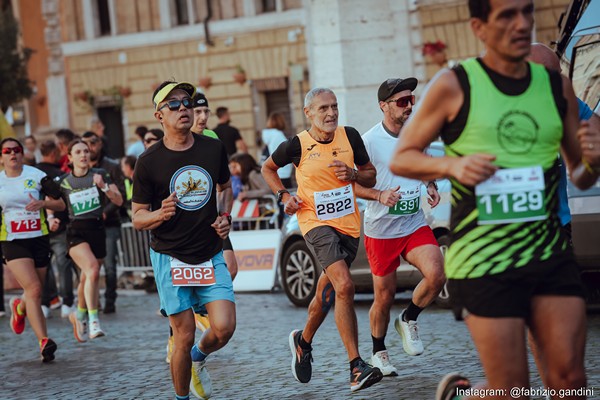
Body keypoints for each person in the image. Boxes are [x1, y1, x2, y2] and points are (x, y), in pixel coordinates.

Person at [388, 1, 598, 398]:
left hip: (548, 251)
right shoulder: (455, 84)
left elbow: (580, 175)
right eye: (506, 16)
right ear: (479, 27)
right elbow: (403, 157)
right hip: (485, 256)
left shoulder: (557, 87)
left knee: (570, 382)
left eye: (526, 12)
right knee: (511, 388)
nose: (521, 24)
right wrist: (454, 167)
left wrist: (595, 160)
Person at [262, 87, 382, 393]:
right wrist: (284, 195)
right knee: (345, 285)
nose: (330, 113)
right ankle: (356, 367)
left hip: (349, 225)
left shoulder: (350, 137)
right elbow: (268, 168)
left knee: (327, 292)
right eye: (323, 108)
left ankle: (303, 342)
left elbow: (370, 176)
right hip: (315, 222)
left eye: (334, 106)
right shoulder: (297, 146)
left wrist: (353, 174)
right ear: (309, 113)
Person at [132, 80, 235, 400]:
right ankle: (182, 397)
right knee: (184, 334)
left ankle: (198, 360)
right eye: (173, 105)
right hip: (170, 256)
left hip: (209, 251)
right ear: (159, 115)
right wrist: (159, 214)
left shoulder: (212, 147)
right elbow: (137, 218)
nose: (183, 109)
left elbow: (225, 188)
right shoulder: (148, 161)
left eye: (186, 103)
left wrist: (225, 217)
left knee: (224, 327)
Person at [354, 78, 446, 376]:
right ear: (383, 106)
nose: (409, 106)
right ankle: (378, 350)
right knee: (384, 296)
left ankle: (408, 318)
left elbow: (422, 166)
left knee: (437, 274)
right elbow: (351, 185)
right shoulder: (368, 142)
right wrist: (379, 195)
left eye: (411, 100)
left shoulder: (416, 134)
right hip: (381, 230)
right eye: (401, 102)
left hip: (413, 223)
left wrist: (430, 185)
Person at [0, 138, 65, 362]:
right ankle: (44, 341)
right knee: (35, 288)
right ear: (1, 157)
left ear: (22, 154)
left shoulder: (36, 176)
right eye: (7, 151)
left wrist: (43, 204)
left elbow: (61, 204)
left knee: (33, 292)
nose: (12, 154)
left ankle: (19, 306)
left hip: (38, 238)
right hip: (12, 240)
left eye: (16, 150)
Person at [58, 139, 123, 341]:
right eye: (78, 152)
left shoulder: (100, 175)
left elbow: (119, 200)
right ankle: (94, 321)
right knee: (93, 269)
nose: (83, 155)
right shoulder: (64, 182)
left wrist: (103, 187)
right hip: (75, 232)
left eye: (86, 151)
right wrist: (49, 215)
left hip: (97, 230)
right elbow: (55, 204)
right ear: (70, 157)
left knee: (88, 277)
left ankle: (78, 316)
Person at [82, 131, 126, 314]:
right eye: (86, 144)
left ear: (100, 143)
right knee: (88, 266)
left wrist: (106, 213)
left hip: (109, 222)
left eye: (94, 142)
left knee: (109, 265)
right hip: (85, 224)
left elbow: (121, 193)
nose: (90, 147)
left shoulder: (112, 166)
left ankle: (110, 300)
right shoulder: (79, 168)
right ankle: (92, 301)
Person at [35, 140, 76, 319]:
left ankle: (46, 302)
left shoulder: (32, 173)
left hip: (39, 226)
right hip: (57, 226)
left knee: (44, 267)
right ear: (52, 153)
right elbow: (64, 201)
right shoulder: (59, 175)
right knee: (63, 265)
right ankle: (66, 302)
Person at [262, 112, 293, 188]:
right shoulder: (278, 135)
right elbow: (287, 151)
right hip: (283, 171)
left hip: (276, 170)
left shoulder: (270, 135)